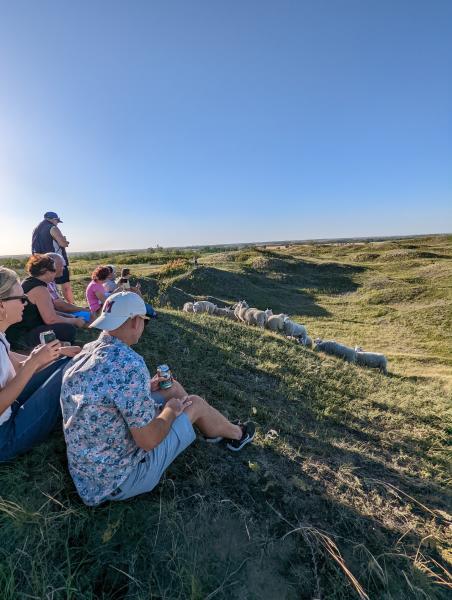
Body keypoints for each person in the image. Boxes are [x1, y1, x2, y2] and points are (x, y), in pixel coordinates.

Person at [60, 291, 255, 506]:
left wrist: (146, 390)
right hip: (118, 481)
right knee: (195, 404)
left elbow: (107, 394)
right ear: (135, 321)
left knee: (170, 386)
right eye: (145, 321)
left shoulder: (87, 352)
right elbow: (149, 440)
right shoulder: (129, 364)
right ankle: (237, 435)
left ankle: (213, 429)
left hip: (88, 473)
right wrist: (171, 410)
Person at [0, 267, 81, 462]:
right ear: (2, 305)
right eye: (21, 299)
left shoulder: (1, 337)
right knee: (67, 370)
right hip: (4, 437)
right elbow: (25, 368)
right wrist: (34, 362)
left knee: (65, 361)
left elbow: (15, 364)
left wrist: (56, 353)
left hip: (10, 408)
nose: (25, 304)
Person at [5, 255, 85, 349]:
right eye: (54, 270)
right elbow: (51, 319)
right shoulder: (40, 289)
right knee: (68, 330)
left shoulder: (29, 282)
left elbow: (48, 311)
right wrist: (75, 321)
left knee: (66, 324)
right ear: (45, 272)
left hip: (16, 333)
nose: (55, 273)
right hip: (22, 336)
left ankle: (58, 344)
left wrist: (70, 316)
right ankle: (53, 346)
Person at [31, 211, 74, 303]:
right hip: (55, 261)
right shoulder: (52, 227)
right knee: (65, 286)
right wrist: (65, 241)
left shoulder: (36, 230)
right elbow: (62, 243)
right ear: (53, 219)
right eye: (57, 221)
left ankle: (53, 306)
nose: (57, 223)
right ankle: (71, 305)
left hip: (41, 262)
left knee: (48, 286)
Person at [46, 253, 92, 323]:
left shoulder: (51, 281)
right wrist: (84, 310)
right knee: (89, 315)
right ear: (53, 266)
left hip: (56, 314)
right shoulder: (47, 282)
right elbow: (60, 306)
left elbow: (60, 304)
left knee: (87, 314)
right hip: (53, 317)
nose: (63, 268)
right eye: (61, 265)